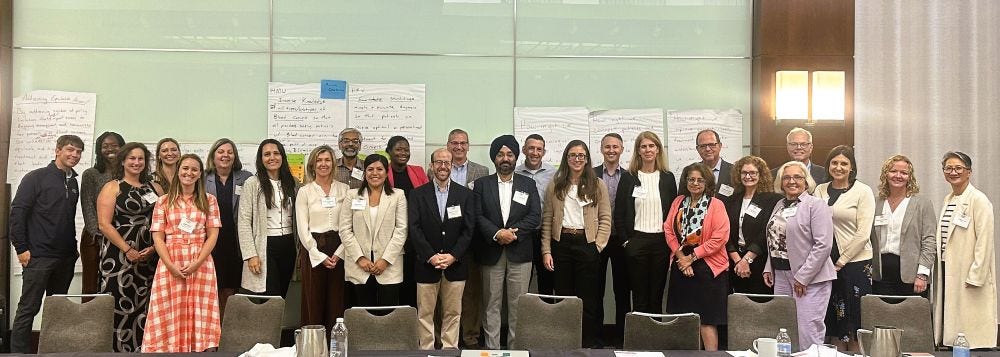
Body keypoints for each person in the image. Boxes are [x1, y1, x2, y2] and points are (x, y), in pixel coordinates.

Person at [9, 135, 85, 353]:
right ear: (58, 150)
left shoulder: (73, 182)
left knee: (57, 310)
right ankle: (18, 354)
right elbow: (18, 214)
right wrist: (21, 249)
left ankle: (52, 351)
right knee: (28, 308)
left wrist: (74, 251)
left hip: (65, 257)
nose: (74, 155)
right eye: (70, 149)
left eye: (79, 151)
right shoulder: (36, 177)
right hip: (39, 257)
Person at [143, 154, 222, 352]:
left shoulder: (209, 201)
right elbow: (158, 237)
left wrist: (197, 263)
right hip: (170, 261)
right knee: (168, 310)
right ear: (178, 171)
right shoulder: (163, 201)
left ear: (200, 174)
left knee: (200, 311)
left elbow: (212, 236)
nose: (189, 173)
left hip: (200, 262)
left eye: (194, 169)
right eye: (185, 168)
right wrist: (170, 265)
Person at [540, 140, 612, 348]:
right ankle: (565, 343)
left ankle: (587, 344)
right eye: (572, 155)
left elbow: (606, 218)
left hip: (586, 244)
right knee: (563, 298)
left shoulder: (597, 184)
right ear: (566, 158)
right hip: (561, 244)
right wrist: (546, 250)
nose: (577, 159)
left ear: (587, 159)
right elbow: (547, 219)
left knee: (588, 300)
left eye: (581, 155)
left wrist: (597, 246)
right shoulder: (556, 183)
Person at [473, 135, 541, 349]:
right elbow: (477, 215)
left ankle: (515, 350)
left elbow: (534, 215)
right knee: (491, 305)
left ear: (515, 157)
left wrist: (513, 234)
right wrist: (496, 233)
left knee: (518, 305)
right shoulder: (482, 185)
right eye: (501, 154)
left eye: (509, 154)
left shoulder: (528, 184)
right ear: (494, 158)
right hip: (491, 251)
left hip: (520, 253)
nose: (505, 158)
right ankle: (492, 349)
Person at [96, 142, 163, 351]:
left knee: (148, 306)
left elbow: (164, 221)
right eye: (132, 158)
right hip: (118, 259)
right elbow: (104, 225)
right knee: (118, 304)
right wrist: (128, 250)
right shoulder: (112, 187)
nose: (136, 162)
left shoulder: (156, 188)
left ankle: (145, 349)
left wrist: (153, 249)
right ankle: (118, 352)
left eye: (141, 158)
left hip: (150, 258)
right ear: (123, 161)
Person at [763, 161, 837, 350]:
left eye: (797, 177)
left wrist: (803, 277)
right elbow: (774, 237)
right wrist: (768, 267)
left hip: (809, 279)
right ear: (781, 182)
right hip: (781, 274)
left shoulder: (816, 205)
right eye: (787, 177)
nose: (792, 181)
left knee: (808, 331)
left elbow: (823, 245)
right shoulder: (779, 204)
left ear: (806, 181)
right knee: (784, 329)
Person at [409, 148, 476, 350]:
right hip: (426, 265)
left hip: (455, 266)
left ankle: (449, 350)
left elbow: (468, 229)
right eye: (439, 162)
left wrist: (454, 255)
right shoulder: (417, 194)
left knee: (453, 313)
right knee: (425, 313)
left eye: (447, 163)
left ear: (452, 166)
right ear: (431, 165)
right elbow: (414, 228)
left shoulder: (465, 195)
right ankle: (426, 350)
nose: (443, 166)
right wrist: (430, 256)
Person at [813, 145, 874, 351]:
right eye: (834, 162)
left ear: (852, 167)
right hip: (824, 263)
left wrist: (840, 261)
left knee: (853, 321)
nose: (838, 167)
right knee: (832, 321)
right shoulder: (819, 190)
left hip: (854, 263)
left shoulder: (863, 191)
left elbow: (863, 234)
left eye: (844, 163)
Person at [933, 151, 996, 349]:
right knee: (954, 325)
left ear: (969, 172)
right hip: (948, 267)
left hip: (970, 273)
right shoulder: (948, 199)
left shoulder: (979, 200)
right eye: (949, 168)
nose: (953, 172)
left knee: (972, 329)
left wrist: (976, 274)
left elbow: (985, 240)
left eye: (958, 168)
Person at [664, 163, 730, 351]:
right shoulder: (678, 202)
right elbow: (668, 229)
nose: (695, 183)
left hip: (708, 266)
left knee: (706, 320)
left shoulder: (716, 205)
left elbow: (720, 237)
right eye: (691, 179)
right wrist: (681, 258)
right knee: (684, 319)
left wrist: (691, 258)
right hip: (681, 262)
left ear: (707, 182)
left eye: (700, 180)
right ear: (685, 181)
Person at [615, 131, 677, 313]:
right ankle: (639, 340)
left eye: (651, 146)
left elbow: (674, 213)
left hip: (661, 243)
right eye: (644, 146)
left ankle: (655, 339)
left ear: (657, 149)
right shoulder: (629, 177)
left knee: (656, 296)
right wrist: (627, 242)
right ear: (638, 151)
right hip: (636, 242)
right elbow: (619, 213)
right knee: (639, 296)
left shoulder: (667, 177)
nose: (648, 150)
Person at [339, 154, 408, 306]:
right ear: (364, 173)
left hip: (389, 265)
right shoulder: (352, 195)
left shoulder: (398, 195)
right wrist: (359, 258)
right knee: (362, 314)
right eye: (370, 169)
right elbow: (345, 230)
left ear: (386, 172)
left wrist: (385, 260)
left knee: (387, 314)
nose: (374, 173)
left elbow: (401, 230)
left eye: (379, 169)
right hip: (359, 265)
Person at [295, 145, 351, 329]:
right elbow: (303, 228)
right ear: (312, 164)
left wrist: (340, 252)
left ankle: (334, 347)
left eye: (327, 160)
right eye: (319, 160)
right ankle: (313, 347)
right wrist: (316, 254)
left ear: (333, 164)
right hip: (313, 248)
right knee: (313, 301)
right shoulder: (305, 191)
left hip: (339, 248)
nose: (323, 164)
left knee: (337, 301)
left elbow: (349, 224)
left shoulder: (345, 190)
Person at [238, 139, 299, 297]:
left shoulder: (293, 183)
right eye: (267, 154)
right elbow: (244, 221)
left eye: (276, 153)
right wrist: (251, 255)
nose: (272, 157)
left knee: (281, 296)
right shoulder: (252, 183)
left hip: (288, 244)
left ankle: (276, 323)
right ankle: (268, 323)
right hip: (265, 246)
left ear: (282, 157)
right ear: (261, 159)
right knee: (269, 296)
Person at [448, 128, 490, 349]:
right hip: (444, 240)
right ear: (448, 145)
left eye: (463, 143)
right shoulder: (436, 168)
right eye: (454, 143)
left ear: (468, 146)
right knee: (444, 292)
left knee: (472, 292)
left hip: (473, 240)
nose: (458, 147)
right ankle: (444, 338)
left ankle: (471, 337)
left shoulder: (481, 171)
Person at [870, 155, 935, 297]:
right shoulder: (875, 203)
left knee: (910, 318)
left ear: (910, 176)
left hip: (912, 276)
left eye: (904, 173)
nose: (898, 176)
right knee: (882, 317)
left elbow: (929, 241)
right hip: (880, 275)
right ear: (885, 174)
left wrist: (922, 274)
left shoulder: (922, 204)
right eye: (893, 171)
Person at [204, 138, 254, 314]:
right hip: (211, 241)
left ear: (235, 156)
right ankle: (214, 326)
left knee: (232, 286)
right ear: (213, 155)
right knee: (213, 285)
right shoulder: (203, 178)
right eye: (221, 152)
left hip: (236, 240)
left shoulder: (246, 178)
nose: (225, 155)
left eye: (229, 152)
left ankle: (229, 325)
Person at [593, 133, 632, 346]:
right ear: (601, 149)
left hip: (621, 239)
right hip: (597, 240)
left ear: (622, 149)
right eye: (607, 146)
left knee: (622, 290)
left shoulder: (629, 176)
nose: (611, 150)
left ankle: (621, 338)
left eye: (615, 147)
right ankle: (597, 338)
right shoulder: (590, 175)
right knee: (595, 289)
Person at [725, 156, 781, 294]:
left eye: (753, 173)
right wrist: (738, 260)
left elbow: (765, 232)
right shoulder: (731, 200)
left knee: (760, 305)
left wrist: (747, 260)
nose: (748, 176)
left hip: (759, 262)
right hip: (734, 261)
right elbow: (725, 231)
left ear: (760, 175)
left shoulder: (772, 199)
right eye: (744, 173)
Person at [386, 135, 429, 308]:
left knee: (412, 283)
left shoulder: (418, 171)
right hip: (390, 237)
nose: (403, 153)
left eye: (406, 150)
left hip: (414, 236)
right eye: (398, 149)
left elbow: (427, 200)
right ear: (389, 151)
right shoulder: (382, 172)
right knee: (392, 284)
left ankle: (411, 327)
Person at [80, 131, 125, 296]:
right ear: (99, 150)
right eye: (105, 146)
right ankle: (91, 321)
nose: (110, 149)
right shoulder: (91, 174)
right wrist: (99, 234)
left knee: (115, 282)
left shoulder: (127, 173)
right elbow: (87, 206)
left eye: (114, 145)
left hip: (121, 236)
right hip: (94, 238)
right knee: (91, 284)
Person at [516, 134, 557, 297]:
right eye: (531, 148)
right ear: (524, 150)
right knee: (521, 280)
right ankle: (524, 320)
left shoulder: (553, 173)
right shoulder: (516, 173)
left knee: (547, 278)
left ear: (544, 152)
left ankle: (546, 319)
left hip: (546, 233)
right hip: (523, 233)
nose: (535, 152)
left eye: (539, 149)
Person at [696, 129, 734, 196]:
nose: (707, 149)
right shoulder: (690, 172)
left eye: (712, 144)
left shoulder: (734, 171)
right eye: (703, 146)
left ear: (720, 146)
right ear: (697, 149)